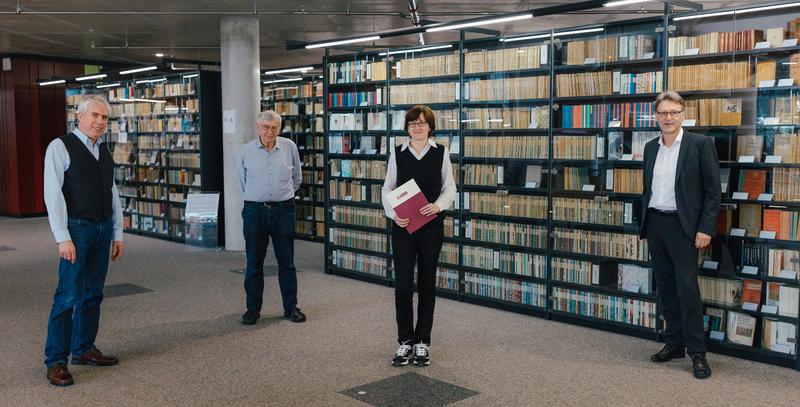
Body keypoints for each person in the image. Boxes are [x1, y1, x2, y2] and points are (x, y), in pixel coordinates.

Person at [42, 94, 125, 386]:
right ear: (80, 116)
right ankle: (55, 361)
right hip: (76, 230)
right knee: (67, 296)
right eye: (95, 116)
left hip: (102, 230)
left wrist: (118, 232)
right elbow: (52, 194)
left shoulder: (103, 150)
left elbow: (112, 193)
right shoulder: (60, 146)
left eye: (105, 118)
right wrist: (62, 237)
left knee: (93, 294)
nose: (100, 122)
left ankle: (84, 349)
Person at [640, 90, 721, 379]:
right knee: (666, 288)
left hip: (684, 227)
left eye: (673, 112)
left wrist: (705, 229)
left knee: (688, 292)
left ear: (683, 114)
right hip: (656, 225)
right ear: (656, 116)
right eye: (663, 113)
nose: (668, 117)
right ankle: (674, 342)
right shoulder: (651, 147)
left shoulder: (700, 145)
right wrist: (646, 225)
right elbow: (647, 190)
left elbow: (713, 192)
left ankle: (697, 353)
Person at [381, 105, 456, 367]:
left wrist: (438, 206)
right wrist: (393, 213)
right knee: (402, 286)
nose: (417, 126)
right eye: (413, 123)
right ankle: (405, 342)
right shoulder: (398, 153)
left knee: (426, 284)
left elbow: (450, 188)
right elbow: (388, 187)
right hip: (403, 227)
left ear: (430, 127)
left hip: (431, 227)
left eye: (422, 123)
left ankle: (422, 341)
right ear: (407, 127)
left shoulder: (441, 153)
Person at [236, 110, 306, 325]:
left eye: (274, 127)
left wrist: (281, 196)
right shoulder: (245, 151)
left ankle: (291, 307)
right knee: (254, 262)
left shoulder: (289, 147)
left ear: (280, 128)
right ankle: (253, 309)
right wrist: (260, 197)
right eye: (265, 127)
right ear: (258, 127)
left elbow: (297, 178)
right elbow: (242, 182)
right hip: (254, 211)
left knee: (287, 262)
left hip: (283, 210)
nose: (270, 131)